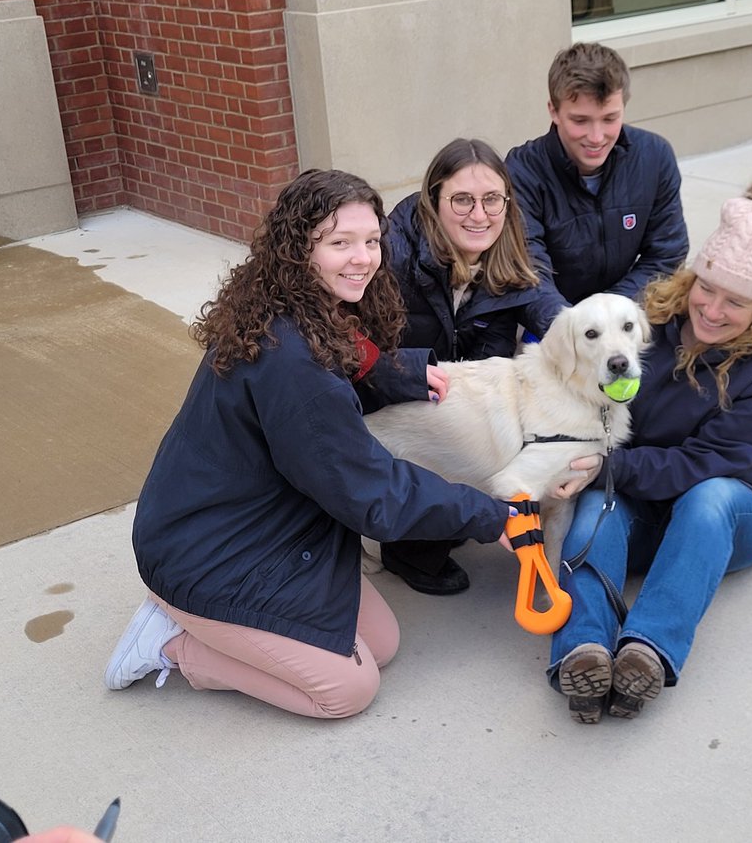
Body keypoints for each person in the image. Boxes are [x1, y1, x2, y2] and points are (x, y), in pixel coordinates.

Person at [102, 169, 517, 719]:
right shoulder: (293, 363)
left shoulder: (291, 309)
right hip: (208, 552)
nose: (363, 258)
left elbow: (353, 353)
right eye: (339, 243)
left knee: (383, 643)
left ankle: (208, 625)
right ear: (301, 250)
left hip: (264, 520)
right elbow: (372, 491)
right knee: (346, 690)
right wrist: (492, 515)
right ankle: (169, 645)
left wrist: (402, 373)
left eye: (371, 241)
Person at [548, 178, 752, 724]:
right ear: (692, 279)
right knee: (600, 502)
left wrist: (608, 466)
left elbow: (699, 465)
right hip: (644, 502)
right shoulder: (646, 328)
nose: (712, 310)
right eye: (706, 289)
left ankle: (647, 650)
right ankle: (585, 649)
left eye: (735, 301)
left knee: (707, 497)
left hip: (728, 518)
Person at [379, 138, 552, 595]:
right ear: (434, 200)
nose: (480, 215)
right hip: (385, 401)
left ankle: (438, 515)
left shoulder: (508, 259)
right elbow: (353, 347)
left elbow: (552, 316)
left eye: (492, 199)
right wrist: (410, 374)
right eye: (462, 200)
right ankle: (402, 544)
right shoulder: (392, 253)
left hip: (445, 401)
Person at [505, 41, 689, 338]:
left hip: (630, 311)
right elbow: (527, 271)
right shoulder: (522, 171)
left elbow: (667, 254)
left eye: (610, 119)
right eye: (580, 120)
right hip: (558, 324)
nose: (596, 136)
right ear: (553, 110)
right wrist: (580, 331)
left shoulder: (655, 157)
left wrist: (611, 317)